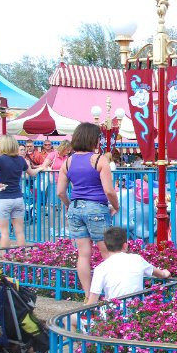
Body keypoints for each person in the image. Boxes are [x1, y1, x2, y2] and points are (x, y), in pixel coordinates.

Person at [57, 122, 119, 296]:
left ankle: (88, 295)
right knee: (107, 253)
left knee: (83, 254)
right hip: (96, 208)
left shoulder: (68, 162)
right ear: (93, 139)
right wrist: (116, 206)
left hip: (76, 208)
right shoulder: (100, 160)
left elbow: (60, 192)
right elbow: (109, 190)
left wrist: (70, 205)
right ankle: (112, 294)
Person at [0, 135, 41, 248]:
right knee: (19, 232)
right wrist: (40, 168)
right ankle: (22, 256)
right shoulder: (21, 159)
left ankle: (6, 257)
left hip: (3, 199)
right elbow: (32, 173)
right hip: (18, 198)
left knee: (4, 233)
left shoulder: (0, 159)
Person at [86, 227, 170, 305]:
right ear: (125, 245)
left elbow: (93, 300)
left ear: (106, 246)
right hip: (136, 309)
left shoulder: (100, 268)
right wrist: (165, 273)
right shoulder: (137, 259)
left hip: (114, 312)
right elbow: (160, 274)